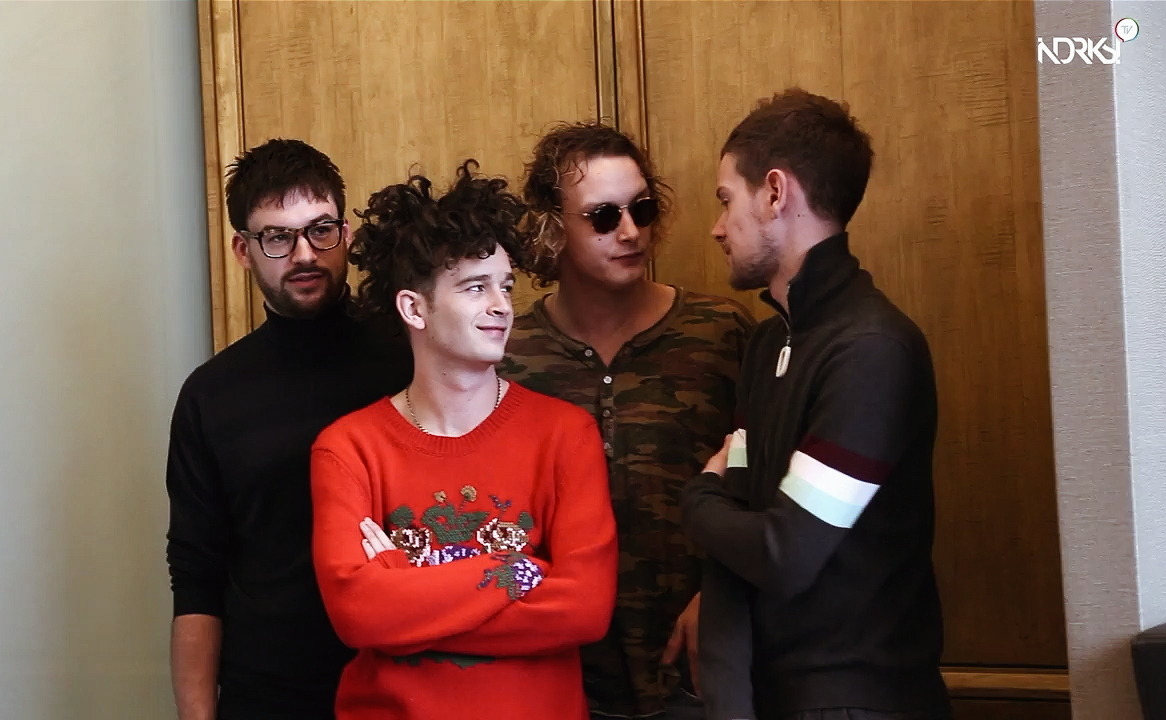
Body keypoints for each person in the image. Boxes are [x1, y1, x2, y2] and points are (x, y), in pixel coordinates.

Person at [309, 160, 619, 720]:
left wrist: (406, 589)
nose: (502, 306)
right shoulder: (348, 449)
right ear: (414, 308)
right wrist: (521, 570)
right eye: (476, 287)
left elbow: (585, 609)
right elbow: (358, 615)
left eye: (505, 286)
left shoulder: (565, 435)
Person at [681, 88, 950, 720]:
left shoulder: (871, 350)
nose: (717, 227)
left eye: (725, 199)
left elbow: (783, 554)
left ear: (775, 193)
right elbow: (741, 518)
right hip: (768, 695)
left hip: (859, 701)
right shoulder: (769, 340)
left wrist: (695, 500)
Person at [500, 121, 755, 719]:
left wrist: (721, 594)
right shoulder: (509, 353)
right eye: (602, 217)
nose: (631, 232)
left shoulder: (720, 332)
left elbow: (766, 485)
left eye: (641, 209)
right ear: (553, 228)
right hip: (560, 675)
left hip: (701, 669)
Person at [165, 138, 411, 719]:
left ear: (346, 233)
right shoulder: (211, 396)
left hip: (406, 684)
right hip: (268, 694)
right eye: (277, 237)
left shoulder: (412, 360)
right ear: (243, 250)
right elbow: (196, 576)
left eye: (320, 230)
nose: (304, 254)